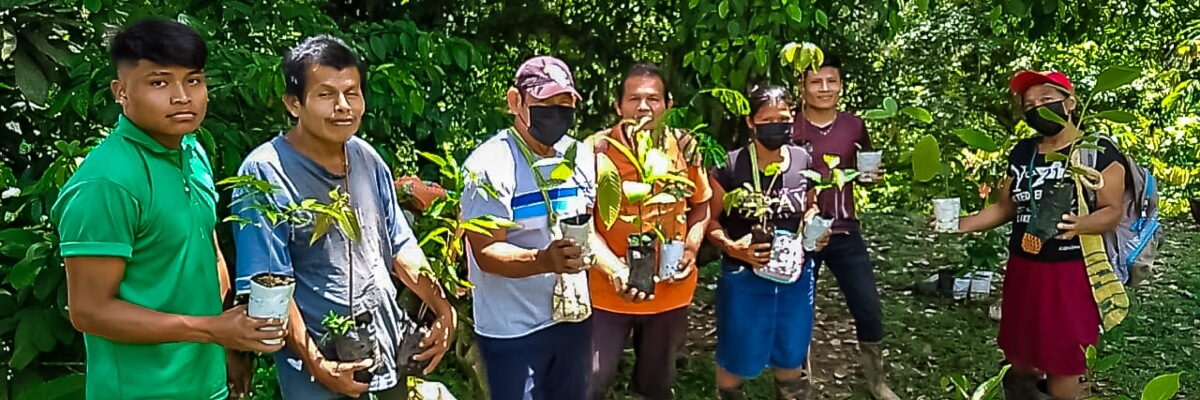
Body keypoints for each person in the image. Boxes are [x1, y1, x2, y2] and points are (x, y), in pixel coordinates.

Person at [51, 19, 285, 399]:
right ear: (120, 92)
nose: (182, 97)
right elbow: (90, 311)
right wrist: (212, 329)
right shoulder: (106, 183)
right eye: (160, 83)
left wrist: (229, 345)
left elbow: (208, 252)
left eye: (193, 80)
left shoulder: (191, 150)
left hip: (208, 385)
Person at [231, 35, 456, 400]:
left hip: (386, 355)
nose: (343, 106)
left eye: (352, 93)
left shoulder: (366, 158)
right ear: (293, 103)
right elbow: (271, 286)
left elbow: (400, 245)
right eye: (326, 94)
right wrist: (318, 363)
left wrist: (443, 307)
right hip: (318, 372)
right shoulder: (265, 172)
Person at [951, 70, 1126, 400]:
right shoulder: (1023, 153)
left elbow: (1112, 210)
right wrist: (960, 224)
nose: (1037, 108)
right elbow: (1005, 207)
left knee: (1067, 359)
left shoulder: (1097, 151)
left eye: (1046, 100)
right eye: (1029, 104)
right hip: (1024, 268)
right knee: (1020, 354)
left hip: (1072, 271)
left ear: (1070, 103)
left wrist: (1080, 225)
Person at [460, 55, 622, 400]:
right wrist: (543, 260)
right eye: (545, 104)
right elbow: (485, 251)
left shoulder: (578, 157)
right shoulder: (488, 166)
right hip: (512, 329)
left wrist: (617, 271)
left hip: (572, 318)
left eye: (564, 104)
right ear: (515, 101)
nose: (556, 114)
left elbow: (585, 231)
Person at [585, 63, 713, 400]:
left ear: (668, 104)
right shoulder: (596, 150)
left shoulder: (684, 146)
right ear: (618, 105)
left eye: (653, 99)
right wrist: (613, 268)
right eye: (634, 99)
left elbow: (701, 205)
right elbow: (581, 223)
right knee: (590, 380)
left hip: (670, 291)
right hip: (606, 291)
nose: (643, 107)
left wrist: (691, 247)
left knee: (656, 385)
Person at [708, 85, 826, 400]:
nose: (776, 126)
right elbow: (710, 221)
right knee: (736, 357)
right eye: (767, 120)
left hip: (794, 277)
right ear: (751, 122)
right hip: (744, 278)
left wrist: (813, 223)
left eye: (783, 119)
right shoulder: (730, 166)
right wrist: (734, 248)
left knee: (791, 353)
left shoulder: (803, 159)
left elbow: (810, 204)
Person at [790, 55, 898, 399]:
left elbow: (864, 168)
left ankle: (877, 381)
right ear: (802, 87)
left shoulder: (854, 126)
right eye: (815, 82)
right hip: (801, 233)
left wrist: (871, 177)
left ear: (840, 86)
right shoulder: (790, 127)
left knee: (868, 307)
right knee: (798, 312)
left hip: (845, 230)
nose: (824, 89)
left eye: (831, 81)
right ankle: (798, 384)